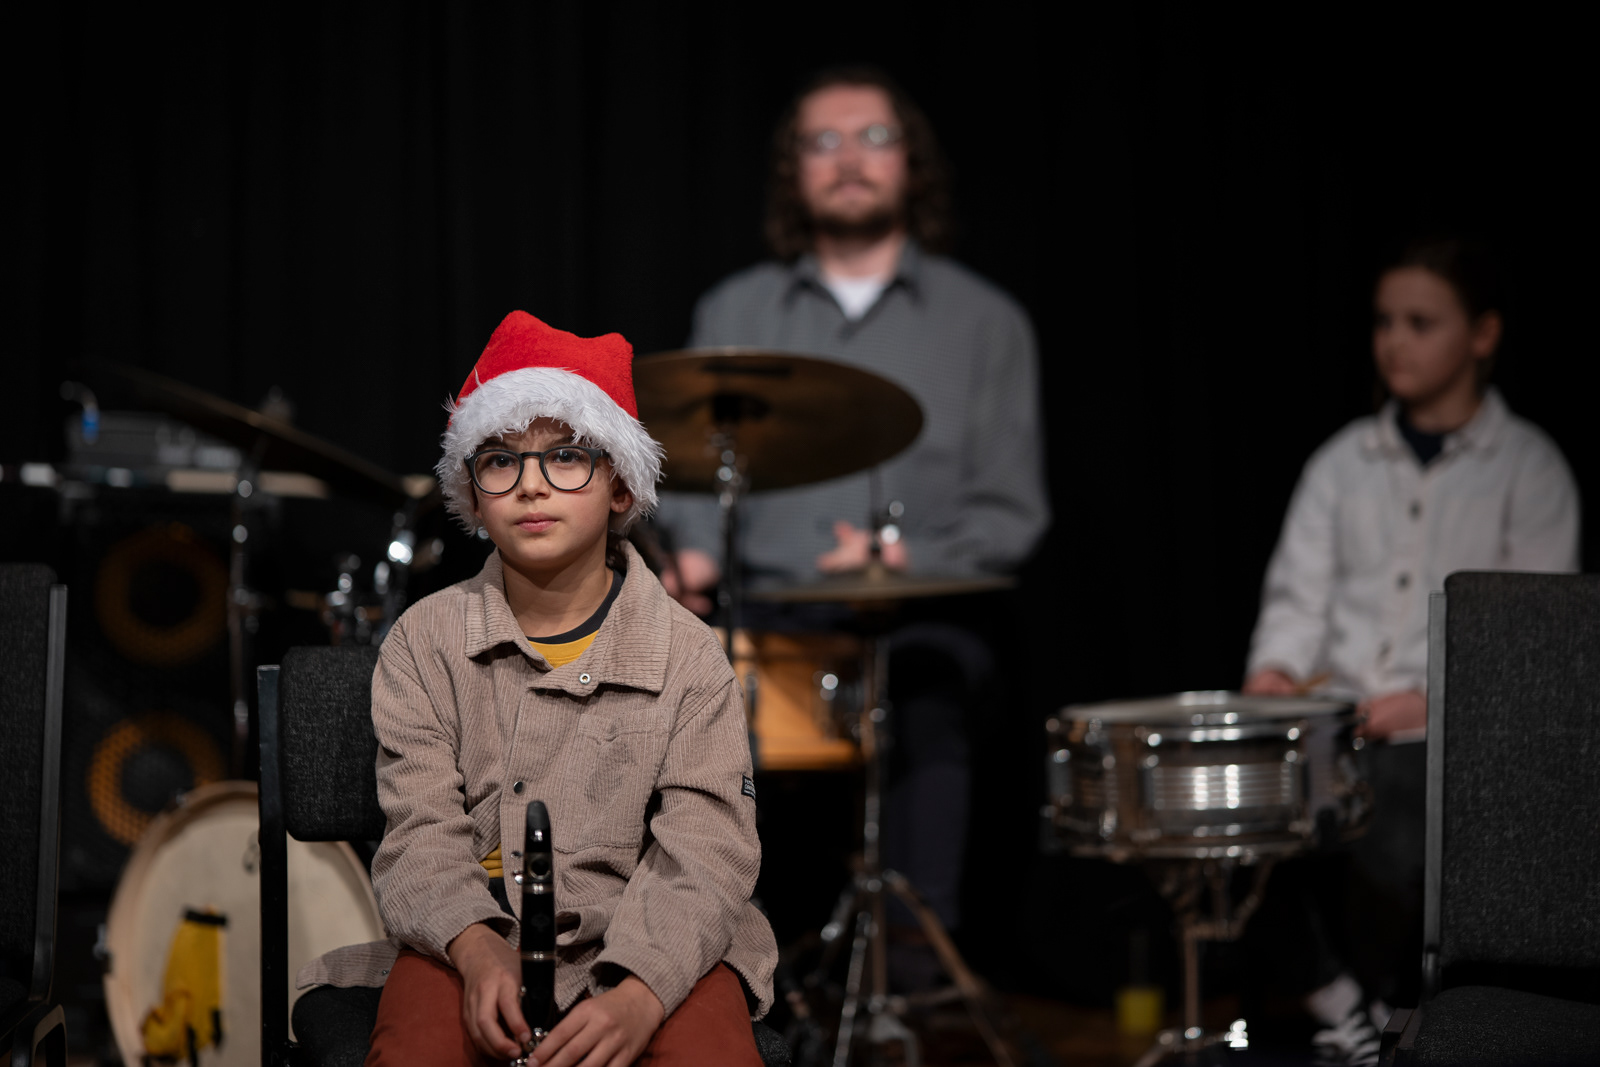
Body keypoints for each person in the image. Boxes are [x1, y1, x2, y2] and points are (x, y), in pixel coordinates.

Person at [298, 311, 777, 1067]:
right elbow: (419, 833)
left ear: (619, 484)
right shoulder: (424, 642)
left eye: (567, 456)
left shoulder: (690, 658)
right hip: (471, 933)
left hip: (654, 942)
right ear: (472, 490)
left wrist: (641, 993)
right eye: (500, 460)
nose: (530, 485)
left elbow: (707, 853)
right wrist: (475, 945)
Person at [652, 67, 1049, 962]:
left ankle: (909, 975)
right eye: (822, 141)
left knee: (930, 694)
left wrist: (904, 556)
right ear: (793, 171)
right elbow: (687, 472)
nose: (848, 159)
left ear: (911, 161)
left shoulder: (987, 322)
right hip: (765, 612)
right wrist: (688, 557)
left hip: (920, 616)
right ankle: (728, 971)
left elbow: (1012, 510)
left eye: (873, 136)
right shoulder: (735, 309)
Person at [1242, 237, 1580, 1064]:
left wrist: (1431, 700)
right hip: (1334, 721)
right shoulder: (1340, 464)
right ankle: (1342, 1005)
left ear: (1482, 334)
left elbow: (1534, 642)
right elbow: (1297, 598)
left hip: (1447, 731)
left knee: (1397, 805)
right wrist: (1275, 673)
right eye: (1384, 321)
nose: (1395, 342)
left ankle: (1393, 1007)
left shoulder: (1528, 467)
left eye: (1421, 323)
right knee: (1237, 816)